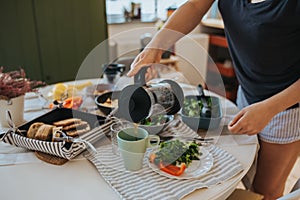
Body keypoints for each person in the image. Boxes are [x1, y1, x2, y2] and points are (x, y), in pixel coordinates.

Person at [127, 0, 300, 199]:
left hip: (285, 107)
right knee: (247, 177)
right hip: (247, 93)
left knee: (265, 191)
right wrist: (155, 47)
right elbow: (195, 6)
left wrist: (269, 109)